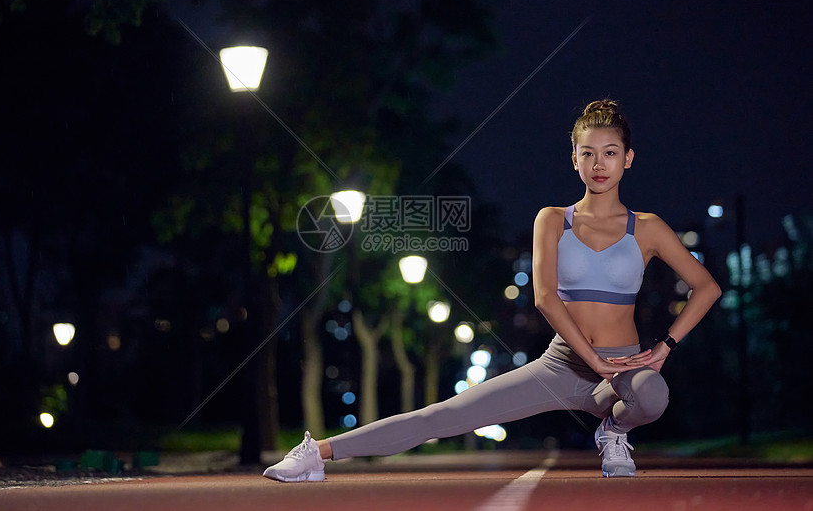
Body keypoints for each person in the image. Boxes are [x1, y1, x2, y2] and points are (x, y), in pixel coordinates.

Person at [263, 99, 722, 481]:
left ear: (628, 158)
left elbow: (706, 288)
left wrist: (664, 346)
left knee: (652, 395)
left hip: (622, 369)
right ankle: (318, 453)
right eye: (587, 153)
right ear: (574, 159)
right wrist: (591, 358)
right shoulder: (553, 219)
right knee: (443, 415)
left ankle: (614, 433)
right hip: (563, 364)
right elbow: (545, 297)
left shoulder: (648, 228)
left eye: (609, 152)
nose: (598, 164)